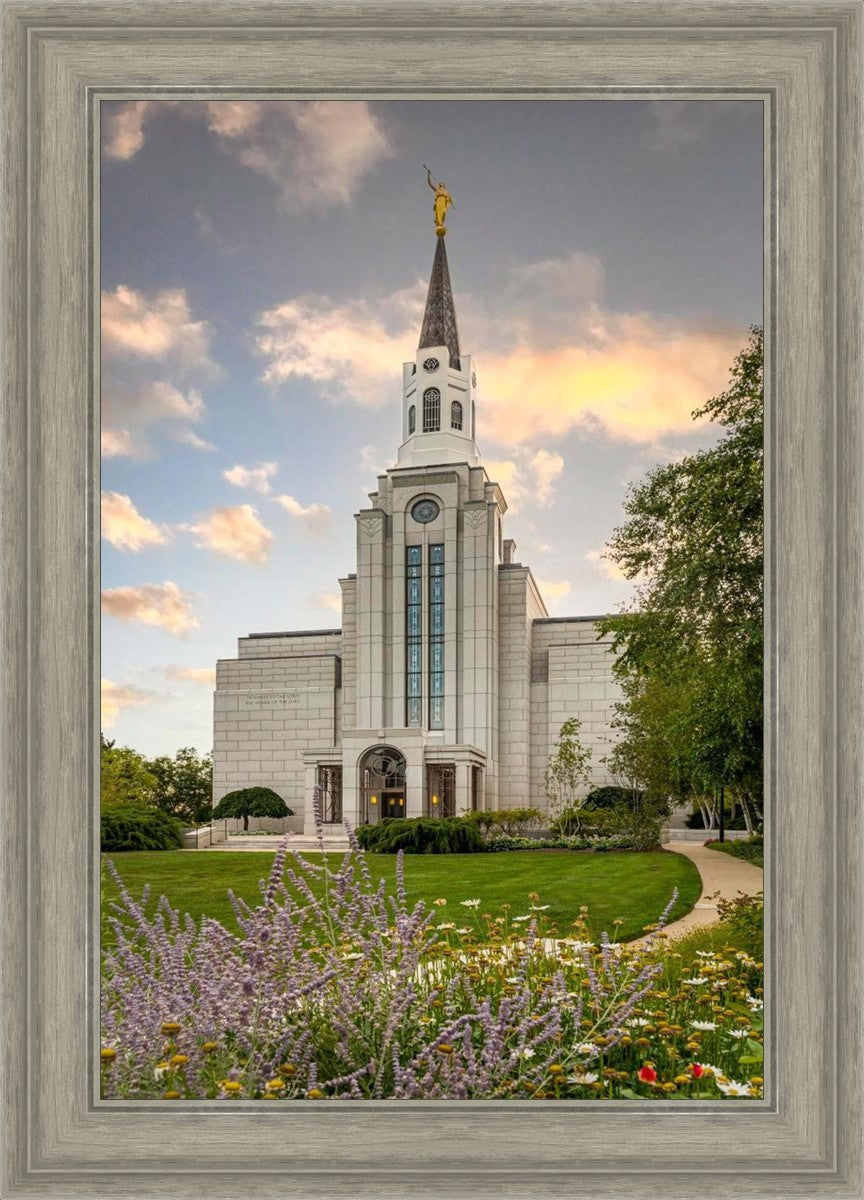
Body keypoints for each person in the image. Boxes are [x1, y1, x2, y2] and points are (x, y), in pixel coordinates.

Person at [425, 167, 454, 232]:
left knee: (443, 213)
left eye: (441, 184)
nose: (440, 184)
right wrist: (428, 174)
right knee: (438, 213)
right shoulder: (437, 190)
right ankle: (439, 224)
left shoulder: (446, 192)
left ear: (444, 186)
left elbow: (448, 200)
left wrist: (448, 206)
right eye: (440, 184)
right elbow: (429, 184)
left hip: (443, 203)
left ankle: (441, 224)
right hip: (438, 202)